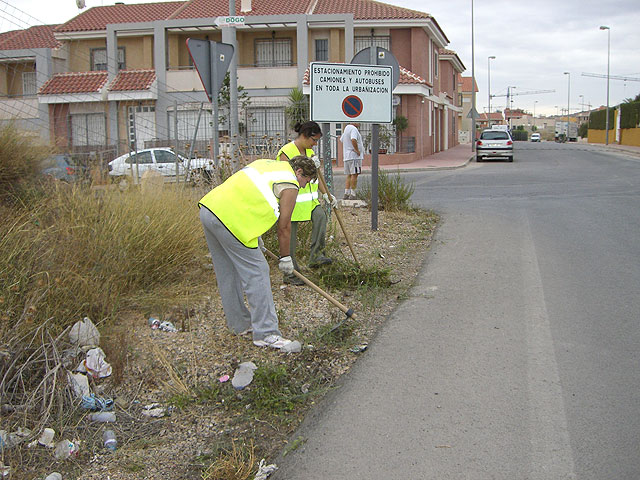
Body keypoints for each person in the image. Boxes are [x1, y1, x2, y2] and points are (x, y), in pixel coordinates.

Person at [198, 156, 317, 349]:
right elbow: (284, 226)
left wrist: (257, 238)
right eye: (307, 181)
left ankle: (239, 324)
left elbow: (248, 196)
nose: (303, 186)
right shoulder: (290, 183)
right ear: (299, 172)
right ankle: (267, 333)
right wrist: (286, 258)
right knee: (258, 271)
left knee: (227, 271)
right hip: (231, 220)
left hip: (210, 209)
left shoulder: (265, 164)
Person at [276, 121, 337, 285]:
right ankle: (290, 274)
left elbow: (317, 176)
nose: (315, 144)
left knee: (321, 218)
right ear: (305, 136)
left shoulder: (310, 152)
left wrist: (326, 195)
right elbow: (284, 178)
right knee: (290, 239)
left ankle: (316, 256)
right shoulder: (286, 152)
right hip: (292, 202)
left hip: (310, 202)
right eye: (314, 140)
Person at [340, 122, 364, 200]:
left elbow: (342, 139)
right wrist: (357, 150)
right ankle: (353, 194)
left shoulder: (347, 128)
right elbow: (353, 139)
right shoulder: (353, 129)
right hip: (354, 157)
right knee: (355, 174)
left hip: (347, 156)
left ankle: (346, 193)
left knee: (349, 175)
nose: (359, 122)